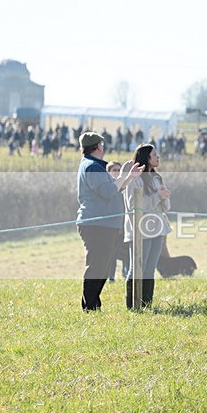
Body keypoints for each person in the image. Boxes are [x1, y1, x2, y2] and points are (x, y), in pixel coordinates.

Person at [76, 131, 142, 311]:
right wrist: (123, 175)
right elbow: (107, 192)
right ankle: (89, 307)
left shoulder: (95, 166)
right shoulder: (91, 167)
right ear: (98, 146)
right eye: (102, 145)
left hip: (105, 225)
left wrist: (129, 178)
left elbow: (113, 190)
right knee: (97, 266)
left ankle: (93, 304)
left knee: (103, 267)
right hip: (96, 225)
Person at [123, 143, 172, 309]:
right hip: (140, 230)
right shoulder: (134, 180)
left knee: (150, 268)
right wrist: (158, 196)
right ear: (146, 158)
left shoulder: (157, 178)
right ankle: (132, 305)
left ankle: (146, 304)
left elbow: (166, 207)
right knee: (137, 267)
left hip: (157, 229)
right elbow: (135, 206)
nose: (158, 157)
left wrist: (164, 197)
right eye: (154, 154)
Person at [105, 161, 130, 282]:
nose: (117, 172)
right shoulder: (107, 188)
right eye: (114, 170)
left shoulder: (125, 187)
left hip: (124, 227)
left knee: (126, 253)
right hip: (110, 227)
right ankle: (111, 278)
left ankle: (126, 275)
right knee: (111, 254)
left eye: (119, 170)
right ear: (108, 172)